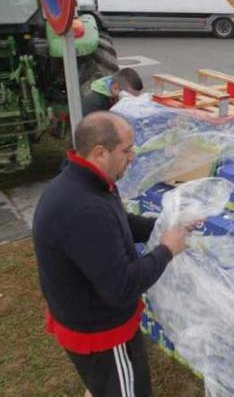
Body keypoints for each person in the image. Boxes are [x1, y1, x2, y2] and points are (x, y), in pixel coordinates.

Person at [33, 112, 198, 397]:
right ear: (100, 152)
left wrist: (164, 226)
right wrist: (167, 249)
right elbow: (121, 288)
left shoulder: (87, 182)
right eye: (127, 149)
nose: (132, 156)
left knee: (104, 384)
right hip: (101, 334)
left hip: (82, 314)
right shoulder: (85, 209)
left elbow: (120, 223)